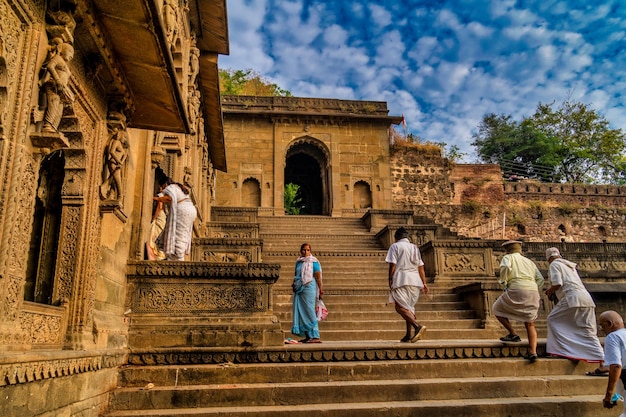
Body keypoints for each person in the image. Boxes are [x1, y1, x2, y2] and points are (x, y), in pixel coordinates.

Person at [544, 247, 604, 363]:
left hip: (572, 298)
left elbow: (557, 283)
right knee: (588, 330)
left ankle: (562, 350)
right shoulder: (569, 266)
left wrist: (549, 291)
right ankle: (603, 362)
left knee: (553, 319)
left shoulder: (554, 265)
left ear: (548, 258)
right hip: (586, 298)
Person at [493, 240, 544, 362]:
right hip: (533, 290)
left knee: (497, 308)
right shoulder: (529, 261)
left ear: (507, 250)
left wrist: (504, 282)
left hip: (516, 288)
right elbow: (540, 279)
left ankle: (513, 333)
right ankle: (533, 351)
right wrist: (534, 288)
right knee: (530, 322)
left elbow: (505, 267)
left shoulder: (508, 257)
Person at [385, 227, 429, 343]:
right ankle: (408, 334)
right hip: (415, 281)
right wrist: (424, 282)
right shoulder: (414, 248)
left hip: (401, 279)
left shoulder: (395, 246)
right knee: (409, 307)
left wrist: (390, 278)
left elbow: (392, 264)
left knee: (399, 307)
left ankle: (417, 326)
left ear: (396, 237)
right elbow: (421, 267)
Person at [153, 177, 197, 261]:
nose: (161, 190)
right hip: (190, 210)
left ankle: (178, 257)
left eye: (162, 187)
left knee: (178, 234)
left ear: (165, 184)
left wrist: (155, 198)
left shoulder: (171, 187)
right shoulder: (178, 188)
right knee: (182, 234)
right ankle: (174, 256)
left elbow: (169, 198)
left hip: (183, 211)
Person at [291, 243, 324, 343]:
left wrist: (321, 290)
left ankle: (315, 336)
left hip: (309, 288)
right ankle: (307, 335)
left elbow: (318, 277)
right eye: (304, 250)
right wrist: (294, 285)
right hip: (299, 289)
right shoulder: (299, 262)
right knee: (301, 312)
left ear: (310, 251)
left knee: (309, 311)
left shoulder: (313, 262)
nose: (306, 252)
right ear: (301, 251)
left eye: (308, 250)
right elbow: (296, 275)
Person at [599, 310, 626, 415]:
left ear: (610, 323)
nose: (602, 329)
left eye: (602, 325)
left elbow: (615, 366)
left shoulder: (613, 337)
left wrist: (609, 394)